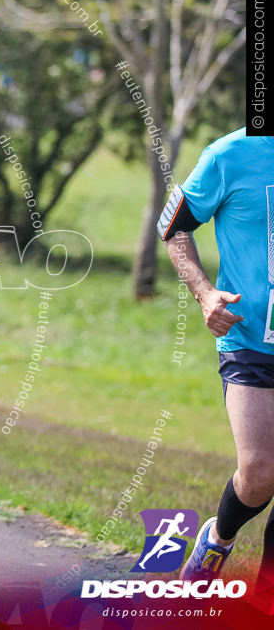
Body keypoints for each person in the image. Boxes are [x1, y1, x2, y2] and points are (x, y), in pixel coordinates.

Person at [160, 127, 274, 587]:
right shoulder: (231, 154)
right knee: (260, 472)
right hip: (250, 338)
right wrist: (206, 294)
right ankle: (218, 540)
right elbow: (174, 227)